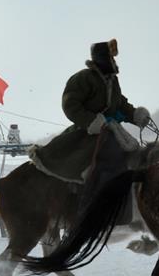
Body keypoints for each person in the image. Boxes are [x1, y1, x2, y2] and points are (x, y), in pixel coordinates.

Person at [28, 38, 151, 212]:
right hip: (87, 131)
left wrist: (135, 115)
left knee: (132, 155)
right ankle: (89, 204)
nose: (114, 61)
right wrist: (92, 122)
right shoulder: (82, 78)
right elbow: (70, 105)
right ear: (102, 59)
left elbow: (120, 103)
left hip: (111, 130)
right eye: (111, 58)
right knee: (97, 161)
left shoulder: (113, 81)